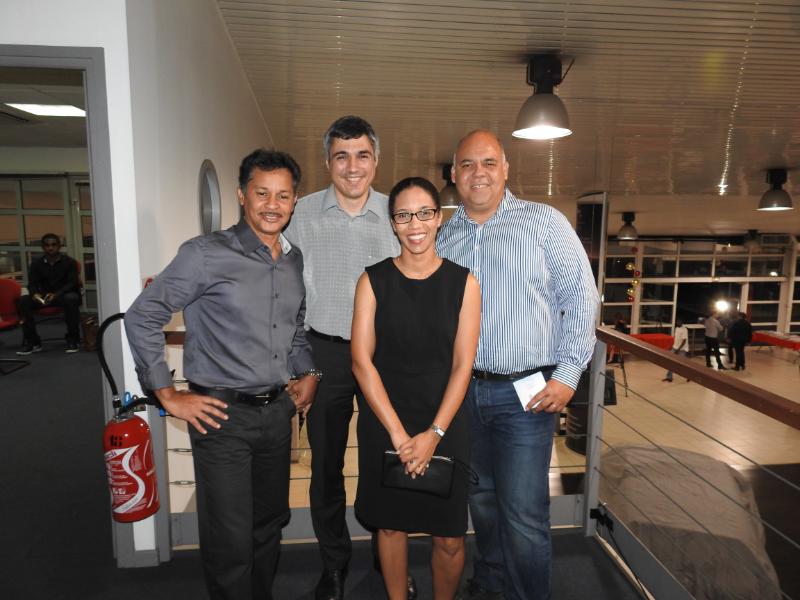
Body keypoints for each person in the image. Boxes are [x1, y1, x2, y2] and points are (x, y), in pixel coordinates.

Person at [124, 149, 320, 600]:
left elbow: (294, 329)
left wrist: (307, 369)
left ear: (295, 201)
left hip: (277, 415)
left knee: (269, 524)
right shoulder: (205, 254)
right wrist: (166, 393)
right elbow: (142, 316)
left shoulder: (293, 259)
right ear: (241, 195)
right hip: (221, 417)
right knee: (229, 538)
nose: (272, 205)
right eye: (261, 193)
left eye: (283, 195)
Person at [437, 130, 599, 600]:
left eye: (489, 162)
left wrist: (568, 375)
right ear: (454, 174)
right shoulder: (444, 236)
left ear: (506, 169)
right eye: (468, 164)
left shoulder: (544, 223)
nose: (479, 173)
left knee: (524, 514)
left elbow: (582, 298)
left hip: (527, 395)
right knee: (482, 501)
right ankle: (492, 584)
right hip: (465, 394)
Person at [283, 115, 401, 600]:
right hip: (324, 355)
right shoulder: (300, 214)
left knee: (384, 462)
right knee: (326, 467)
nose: (353, 167)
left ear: (377, 159)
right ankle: (334, 564)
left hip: (385, 357)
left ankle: (386, 559)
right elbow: (282, 289)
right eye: (341, 156)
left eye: (362, 155)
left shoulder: (398, 213)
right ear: (327, 161)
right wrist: (299, 362)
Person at [351, 177, 480, 600]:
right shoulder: (372, 281)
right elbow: (361, 361)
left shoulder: (465, 283)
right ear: (393, 223)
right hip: (385, 420)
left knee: (449, 537)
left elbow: (463, 366)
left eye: (424, 213)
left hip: (445, 420)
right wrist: (398, 434)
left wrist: (434, 434)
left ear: (439, 218)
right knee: (391, 527)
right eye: (404, 215)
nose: (415, 224)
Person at [16, 233, 81, 354]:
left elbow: (72, 284)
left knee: (71, 298)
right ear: (43, 247)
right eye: (47, 245)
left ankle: (73, 339)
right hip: (43, 297)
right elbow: (32, 284)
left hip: (62, 296)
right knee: (23, 301)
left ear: (59, 246)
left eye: (53, 245)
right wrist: (35, 294)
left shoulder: (70, 262)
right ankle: (33, 342)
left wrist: (56, 294)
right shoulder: (36, 264)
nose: (50, 248)